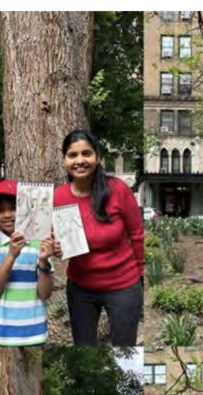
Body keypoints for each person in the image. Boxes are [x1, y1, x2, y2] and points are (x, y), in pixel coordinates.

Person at [53, 130, 144, 346]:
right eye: (72, 155)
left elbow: (137, 234)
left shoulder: (117, 189)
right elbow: (53, 238)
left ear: (97, 157)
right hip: (80, 288)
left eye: (87, 153)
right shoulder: (59, 196)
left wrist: (140, 275)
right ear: (64, 160)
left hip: (123, 286)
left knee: (124, 347)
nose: (80, 160)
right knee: (83, 348)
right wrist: (55, 247)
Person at [0, 180, 62, 346]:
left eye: (13, 208)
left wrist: (43, 261)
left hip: (35, 334)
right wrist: (11, 255)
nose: (7, 215)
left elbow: (45, 294)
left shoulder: (39, 243)